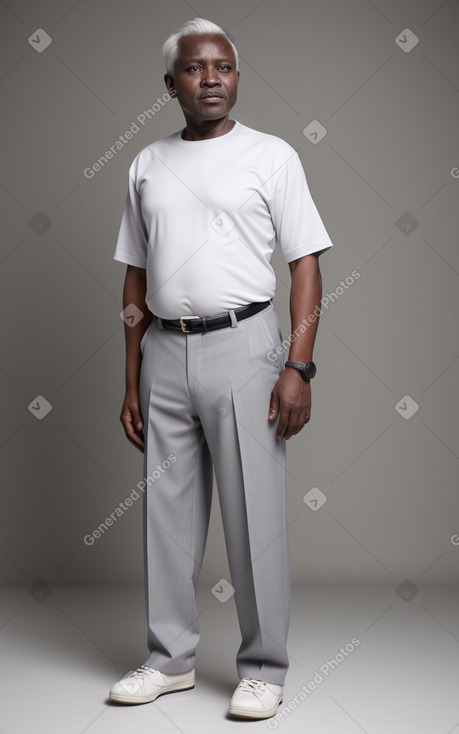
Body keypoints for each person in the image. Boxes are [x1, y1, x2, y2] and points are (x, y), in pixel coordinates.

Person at [109, 17, 333, 720]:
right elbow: (134, 279)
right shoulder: (145, 163)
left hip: (245, 346)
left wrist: (298, 364)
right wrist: (130, 378)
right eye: (196, 69)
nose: (211, 79)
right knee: (167, 518)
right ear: (170, 83)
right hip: (163, 354)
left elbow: (304, 264)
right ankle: (168, 658)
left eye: (224, 68)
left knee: (253, 516)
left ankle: (264, 666)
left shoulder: (271, 156)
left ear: (236, 77)